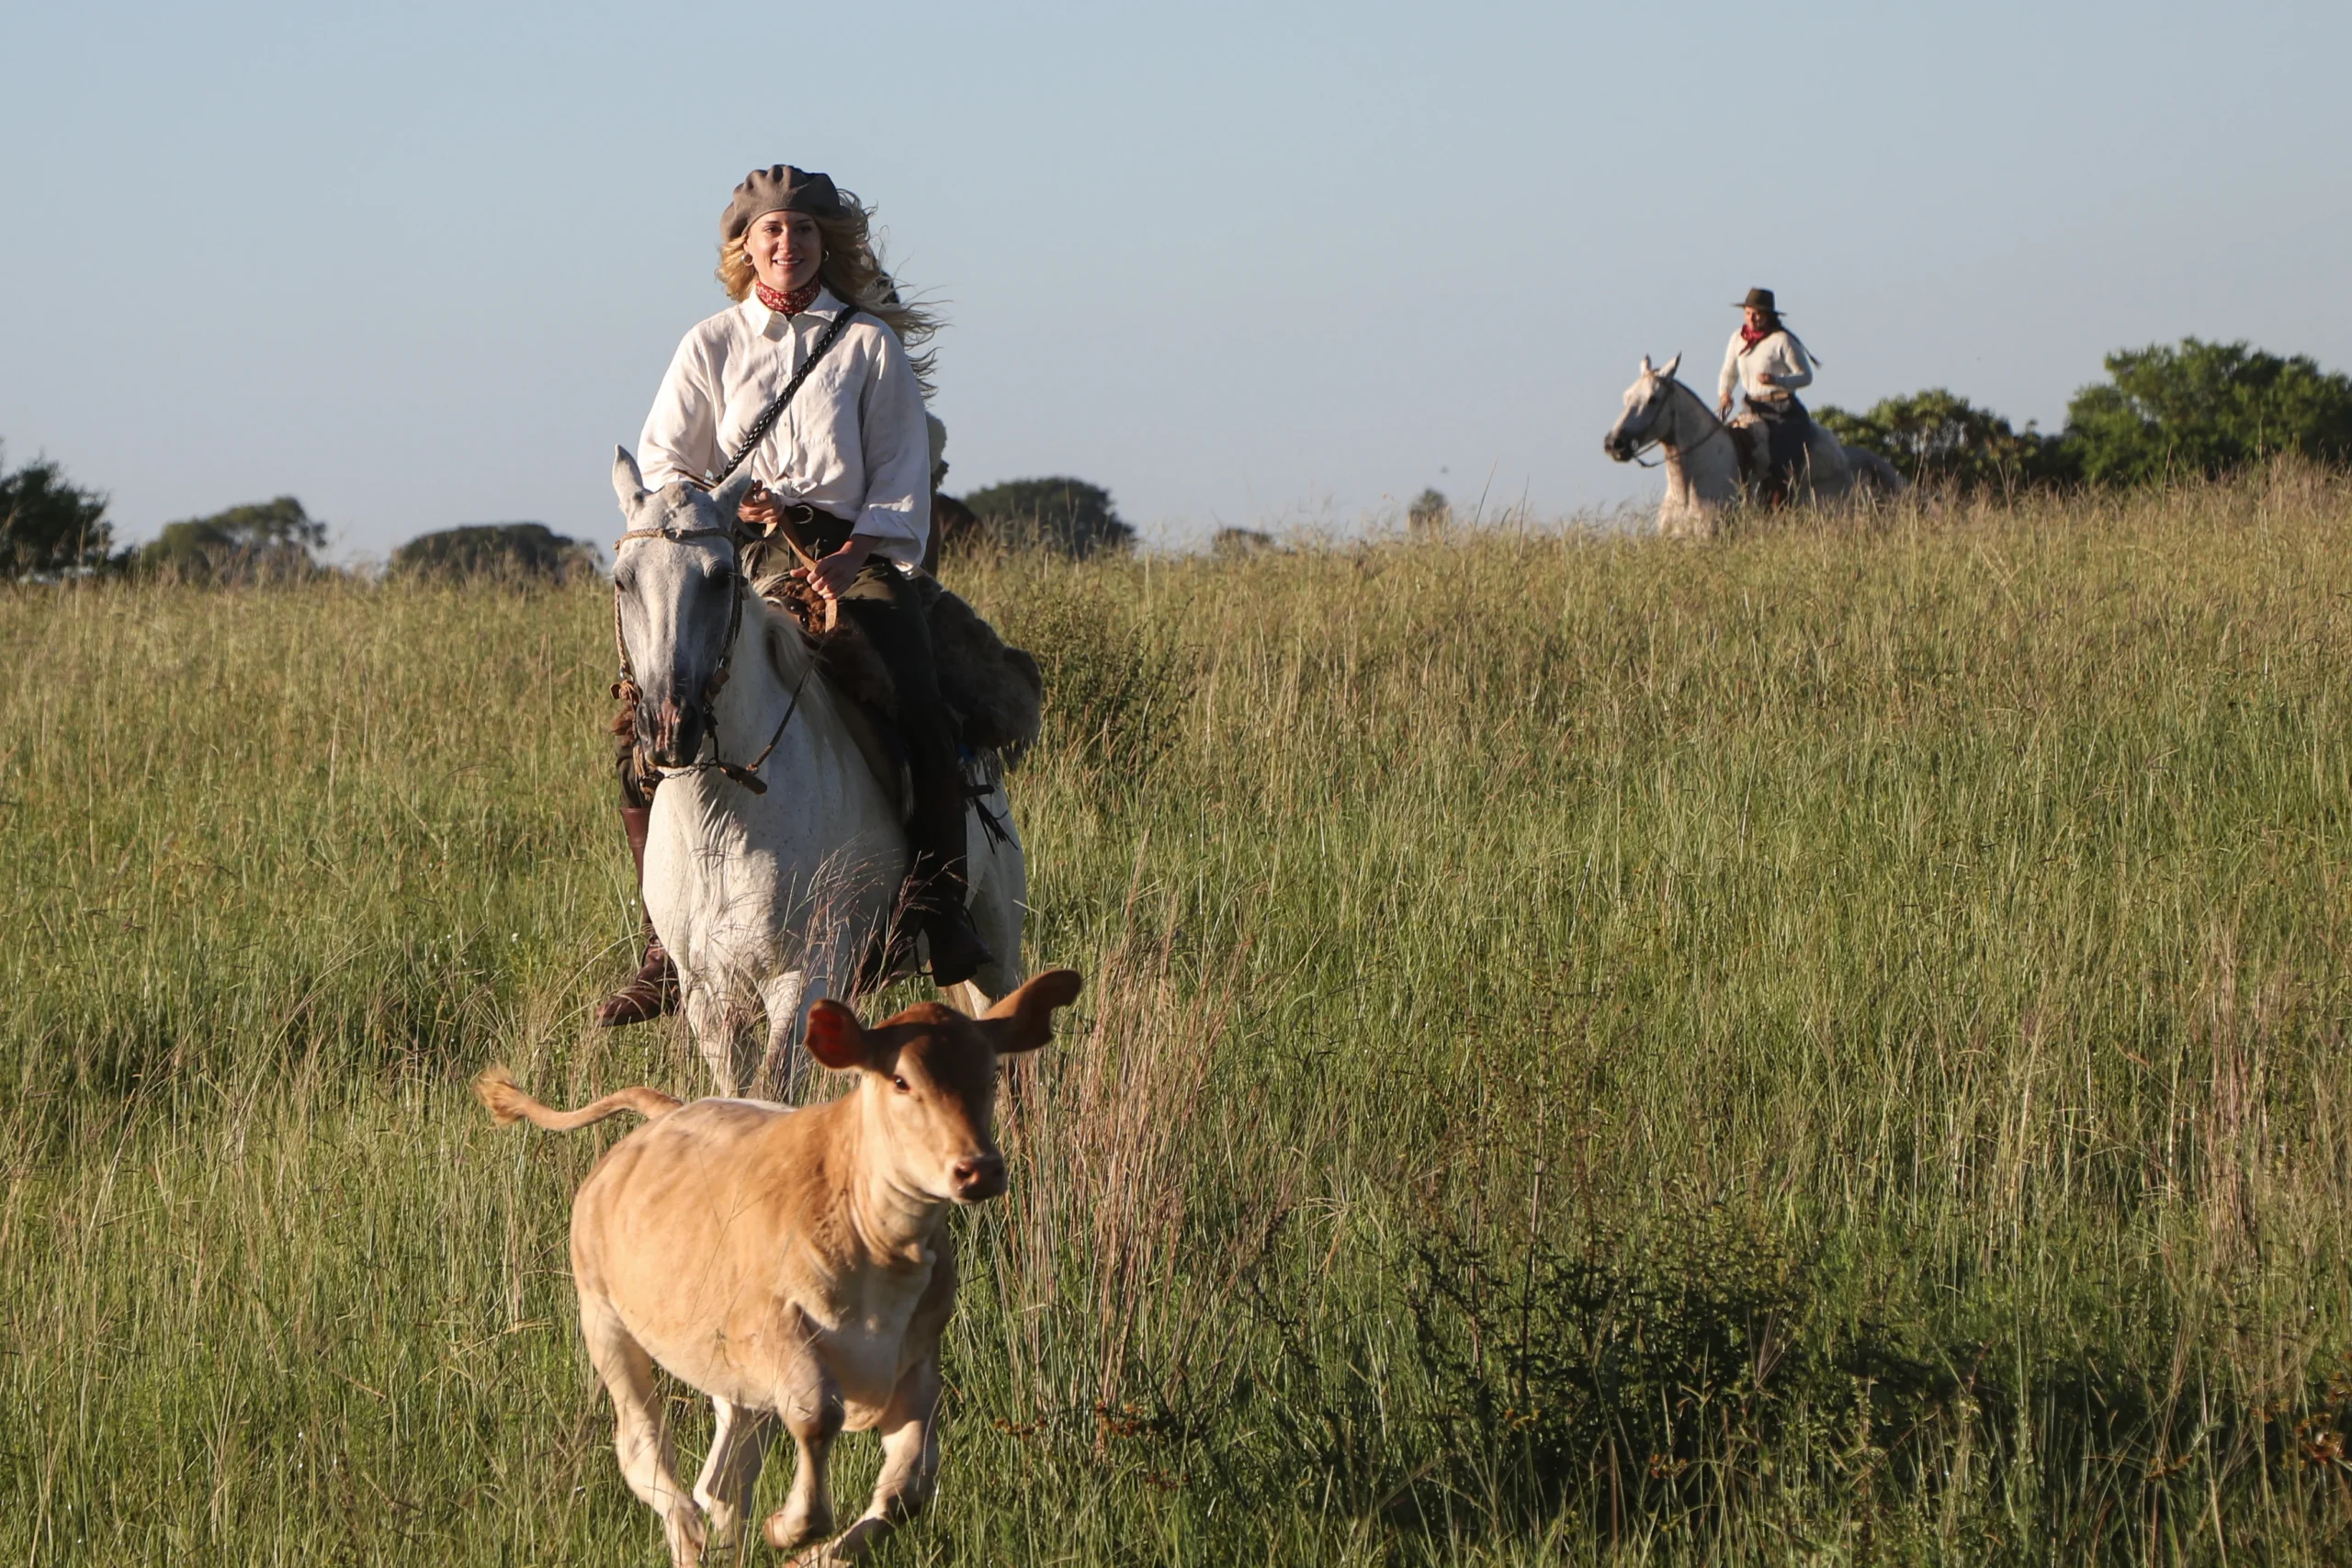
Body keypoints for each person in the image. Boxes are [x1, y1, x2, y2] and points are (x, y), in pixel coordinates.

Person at [595, 164, 991, 1026]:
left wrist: (853, 554)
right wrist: (723, 505)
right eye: (770, 230)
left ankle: (939, 906)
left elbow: (899, 475)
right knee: (640, 715)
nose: (787, 243)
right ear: (746, 247)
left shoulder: (865, 345)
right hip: (731, 560)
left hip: (847, 556)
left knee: (917, 699)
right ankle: (666, 944)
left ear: (825, 244)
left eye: (802, 230)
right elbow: (664, 464)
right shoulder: (707, 344)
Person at [1715, 288, 1818, 505]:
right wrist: (1725, 393)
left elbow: (1806, 376)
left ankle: (1780, 508)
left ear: (1769, 315)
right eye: (1748, 313)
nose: (1752, 318)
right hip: (1751, 408)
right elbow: (1729, 372)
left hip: (1782, 410)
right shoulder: (1737, 338)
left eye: (1758, 314)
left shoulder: (1782, 340)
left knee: (1781, 460)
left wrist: (1778, 381)